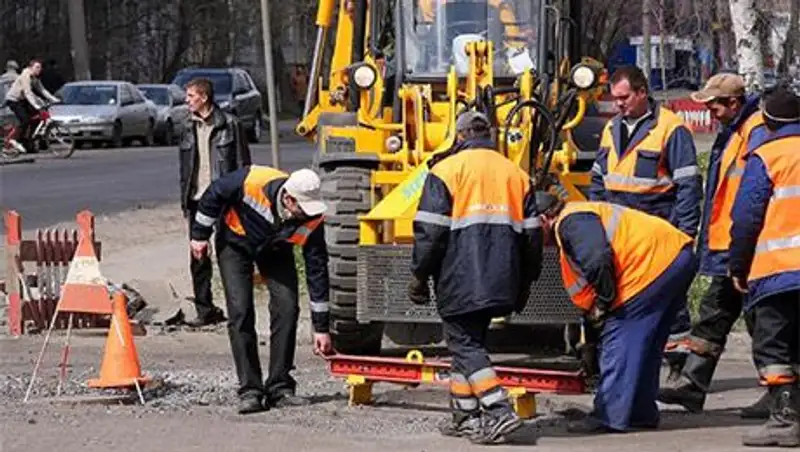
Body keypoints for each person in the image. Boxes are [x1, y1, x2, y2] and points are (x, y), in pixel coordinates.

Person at [409, 111, 543, 445]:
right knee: (469, 345)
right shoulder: (517, 174)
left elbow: (430, 233)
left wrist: (418, 276)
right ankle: (465, 416)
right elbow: (532, 238)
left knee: (464, 345)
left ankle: (498, 411)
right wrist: (526, 281)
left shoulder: (445, 171)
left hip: (460, 276)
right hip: (503, 277)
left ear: (460, 136)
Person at [657, 73, 771, 417]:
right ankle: (693, 386)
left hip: (749, 247)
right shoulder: (733, 131)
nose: (710, 112)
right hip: (731, 245)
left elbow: (754, 194)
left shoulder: (755, 132)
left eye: (714, 105)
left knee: (764, 324)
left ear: (733, 103)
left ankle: (782, 393)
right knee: (713, 317)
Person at [536, 196, 696, 433]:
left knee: (620, 340)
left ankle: (609, 415)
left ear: (544, 219)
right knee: (646, 345)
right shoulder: (581, 214)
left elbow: (597, 259)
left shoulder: (571, 220)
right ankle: (640, 412)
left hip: (652, 264)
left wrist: (604, 301)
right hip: (674, 257)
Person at [190, 164, 333, 414]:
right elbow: (214, 194)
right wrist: (200, 235)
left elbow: (317, 270)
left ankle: (280, 387)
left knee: (287, 307)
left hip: (276, 250)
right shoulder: (251, 181)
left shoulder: (312, 217)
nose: (307, 215)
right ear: (288, 199)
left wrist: (321, 328)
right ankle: (250, 390)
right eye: (302, 208)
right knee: (240, 312)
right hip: (235, 243)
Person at [589, 65, 703, 371]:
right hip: (620, 234)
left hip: (658, 230)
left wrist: (686, 232)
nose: (619, 104)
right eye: (615, 98)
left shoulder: (670, 128)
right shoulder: (611, 129)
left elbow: (688, 184)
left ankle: (678, 366)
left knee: (670, 299)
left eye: (624, 97)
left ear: (641, 92)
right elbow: (599, 179)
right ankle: (629, 362)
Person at [728, 85, 800, 447]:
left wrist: (737, 266)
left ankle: (785, 420)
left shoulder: (767, 155)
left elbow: (745, 218)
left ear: (768, 121)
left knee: (774, 348)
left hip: (780, 271)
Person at [179, 77, 251, 327]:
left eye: (190, 96)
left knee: (229, 254)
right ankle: (204, 309)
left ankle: (238, 309)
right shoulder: (187, 126)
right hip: (197, 199)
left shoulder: (230, 124)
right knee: (198, 256)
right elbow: (185, 168)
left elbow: (243, 165)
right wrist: (185, 201)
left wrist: (240, 201)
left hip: (224, 200)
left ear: (204, 97)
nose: (186, 101)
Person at [4, 59, 59, 152]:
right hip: (14, 100)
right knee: (25, 119)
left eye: (40, 68)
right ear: (31, 67)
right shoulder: (26, 76)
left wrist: (54, 99)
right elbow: (27, 92)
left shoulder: (35, 77)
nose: (39, 69)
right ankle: (15, 140)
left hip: (23, 99)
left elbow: (42, 90)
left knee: (37, 118)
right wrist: (36, 105)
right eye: (37, 67)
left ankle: (28, 142)